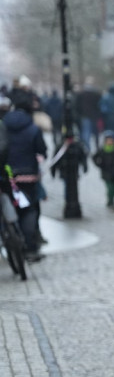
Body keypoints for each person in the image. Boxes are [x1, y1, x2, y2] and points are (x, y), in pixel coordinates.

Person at [2, 92, 47, 261]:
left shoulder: (3, 127)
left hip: (5, 175)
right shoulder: (32, 128)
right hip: (28, 175)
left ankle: (9, 240)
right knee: (28, 210)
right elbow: (41, 150)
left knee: (5, 208)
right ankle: (30, 247)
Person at [92, 131, 114, 211]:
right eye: (108, 140)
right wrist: (99, 165)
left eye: (111, 140)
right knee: (109, 187)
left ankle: (111, 199)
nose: (109, 142)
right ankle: (110, 201)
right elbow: (94, 157)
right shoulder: (102, 150)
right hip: (106, 173)